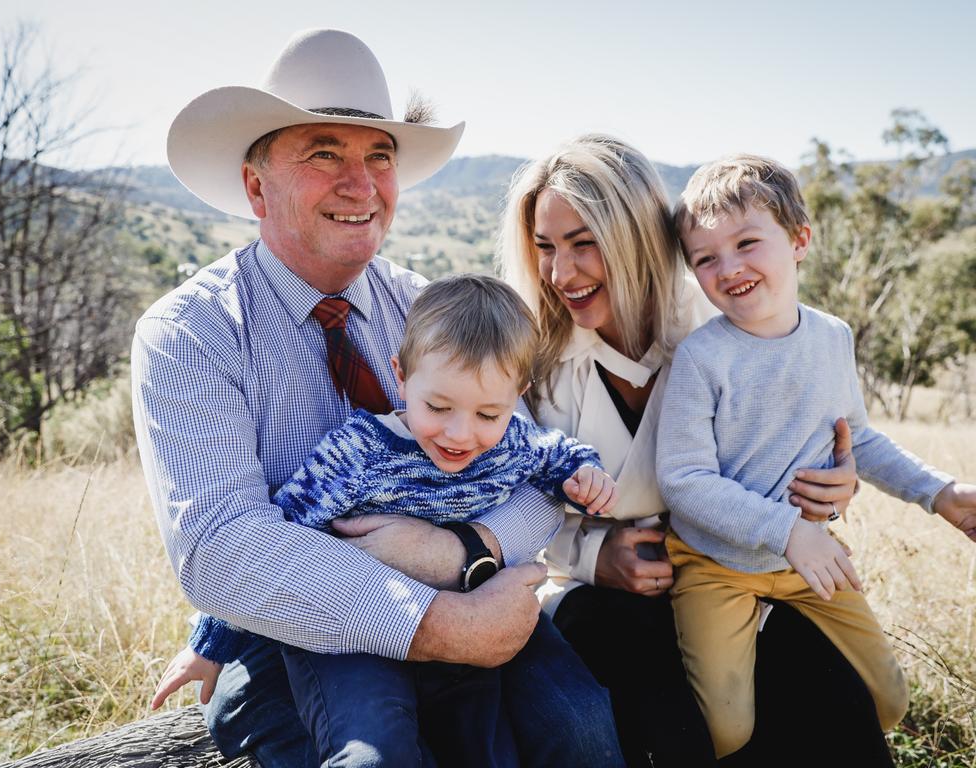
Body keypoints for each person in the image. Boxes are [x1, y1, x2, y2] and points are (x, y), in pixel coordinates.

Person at [133, 29, 622, 767]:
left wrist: (460, 552)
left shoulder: (429, 310)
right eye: (325, 153)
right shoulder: (191, 334)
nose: (361, 184)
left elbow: (525, 469)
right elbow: (223, 547)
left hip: (475, 586)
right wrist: (438, 622)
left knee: (580, 726)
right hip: (309, 632)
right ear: (256, 185)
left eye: (379, 156)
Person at [498, 133, 897, 768]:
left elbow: (798, 431)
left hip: (733, 566)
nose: (559, 274)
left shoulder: (717, 322)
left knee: (841, 699)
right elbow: (511, 510)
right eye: (544, 248)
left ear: (634, 238)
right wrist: (599, 555)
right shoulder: (532, 362)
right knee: (681, 719)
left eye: (583, 244)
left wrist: (835, 479)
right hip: (603, 601)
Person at [151, 274, 617, 766]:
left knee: (494, 743)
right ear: (401, 376)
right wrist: (212, 642)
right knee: (371, 750)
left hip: (466, 606)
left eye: (487, 414)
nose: (461, 433)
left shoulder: (511, 439)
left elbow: (556, 455)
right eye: (437, 407)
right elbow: (280, 535)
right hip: (347, 626)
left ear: (516, 394)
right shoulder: (358, 453)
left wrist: (584, 478)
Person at [656, 153, 976, 758]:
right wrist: (787, 531)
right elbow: (684, 479)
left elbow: (857, 437)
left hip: (811, 565)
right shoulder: (702, 359)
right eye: (705, 258)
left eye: (748, 242)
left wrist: (940, 493)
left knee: (887, 702)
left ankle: (776, 634)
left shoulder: (832, 337)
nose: (729, 268)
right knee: (726, 732)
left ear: (799, 239)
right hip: (715, 563)